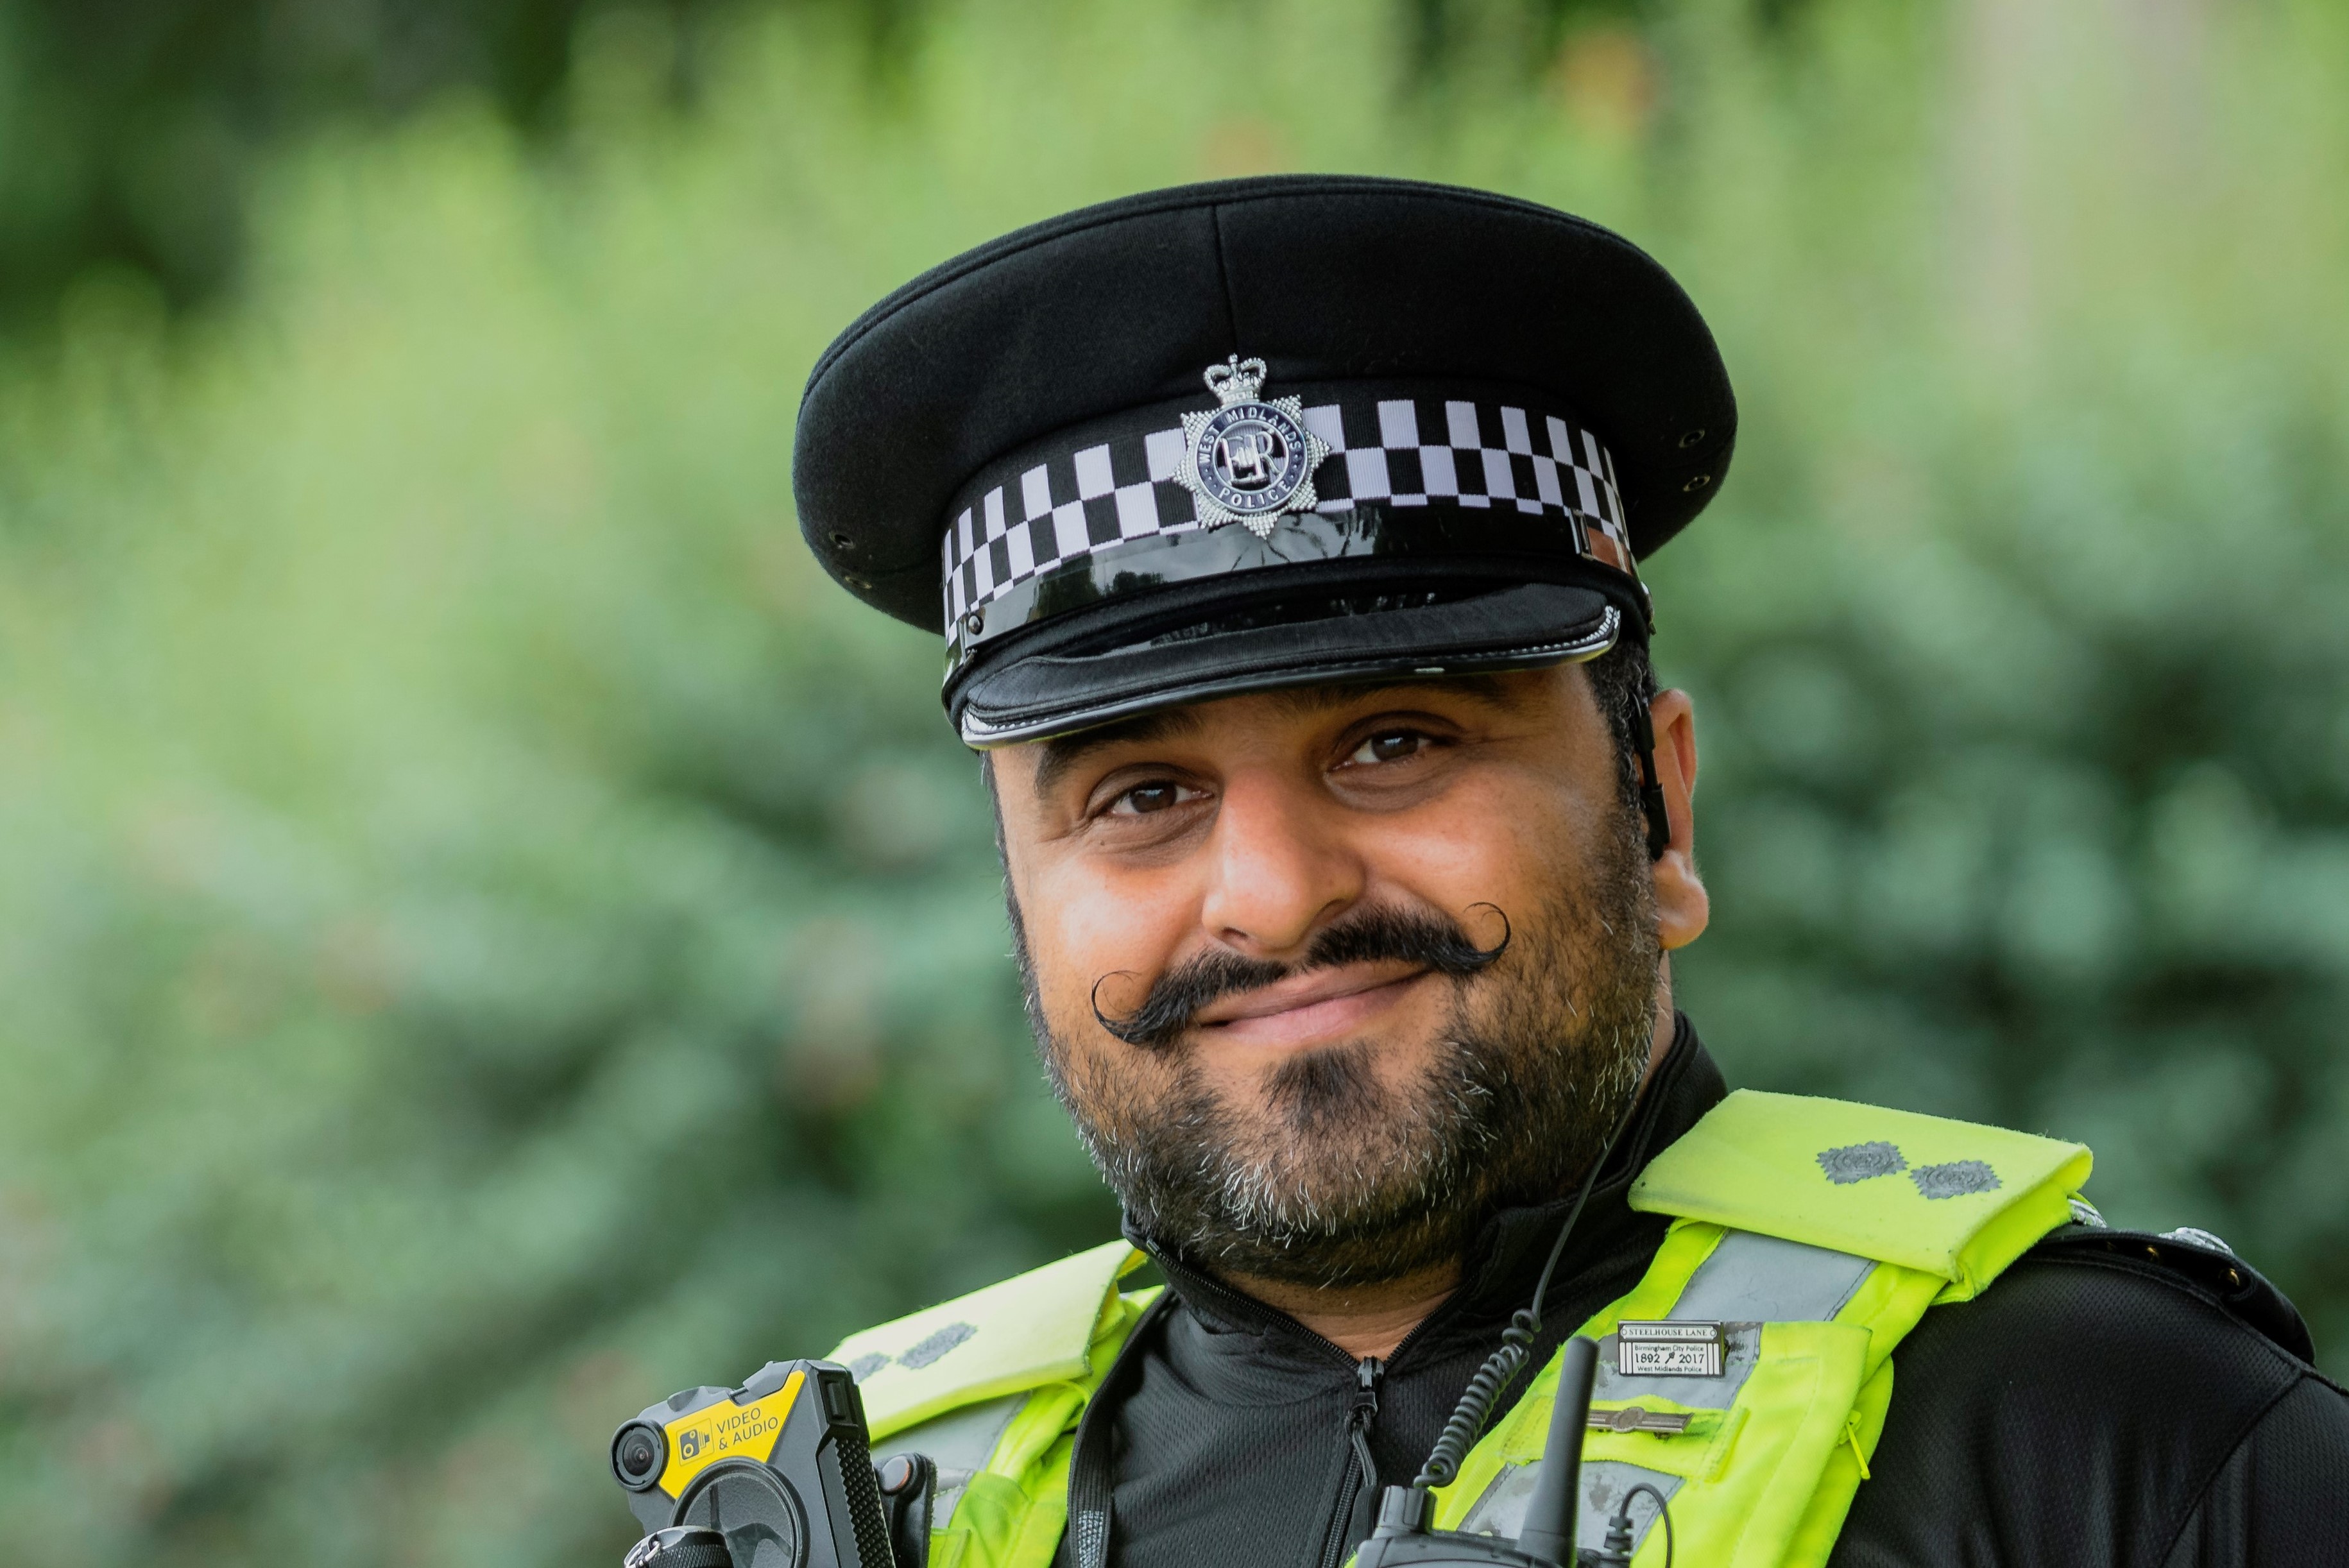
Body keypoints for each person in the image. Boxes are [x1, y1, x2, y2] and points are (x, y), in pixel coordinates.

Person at [792, 176, 2349, 1568]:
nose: (1272, 893)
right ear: (1021, 903)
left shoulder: (2115, 1443)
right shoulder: (857, 1512)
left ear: (1657, 807)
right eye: (1142, 793)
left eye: (1394, 743)